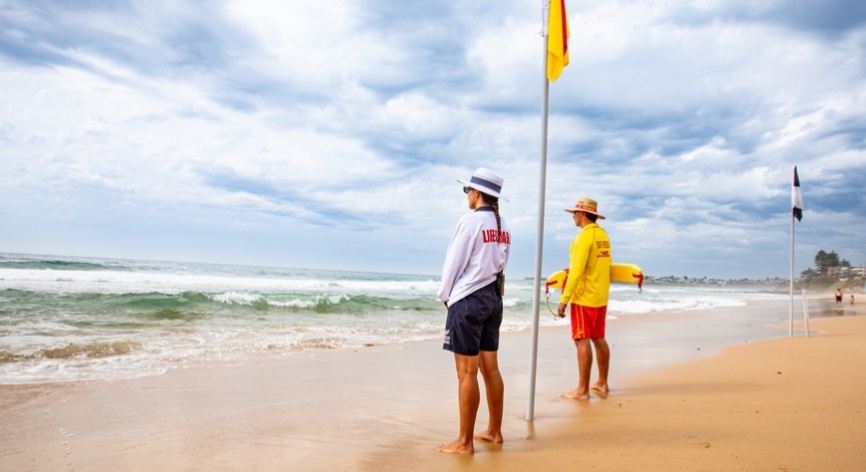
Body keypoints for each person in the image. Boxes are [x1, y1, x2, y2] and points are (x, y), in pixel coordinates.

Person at [437, 167, 511, 455]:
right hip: (493, 298)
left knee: (466, 372)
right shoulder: (503, 225)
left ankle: (465, 442)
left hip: (468, 300)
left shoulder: (470, 222)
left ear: (477, 193)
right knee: (490, 368)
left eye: (468, 190)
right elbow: (500, 263)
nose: (467, 194)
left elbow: (453, 264)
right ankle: (494, 431)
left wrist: (445, 296)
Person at [557, 196, 612, 401]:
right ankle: (602, 383)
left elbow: (576, 272)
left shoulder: (583, 238)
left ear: (582, 214)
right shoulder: (603, 235)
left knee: (581, 340)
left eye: (574, 213)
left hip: (583, 298)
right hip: (600, 296)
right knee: (598, 338)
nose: (573, 216)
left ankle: (582, 390)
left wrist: (564, 300)